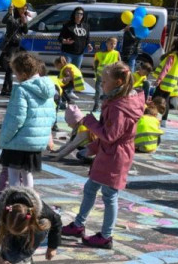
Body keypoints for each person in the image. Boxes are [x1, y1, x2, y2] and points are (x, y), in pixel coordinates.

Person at [60, 62, 145, 249]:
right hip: (109, 152)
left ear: (119, 82)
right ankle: (78, 224)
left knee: (109, 195)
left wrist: (89, 122)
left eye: (105, 81)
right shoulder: (115, 101)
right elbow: (109, 134)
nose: (102, 84)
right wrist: (93, 147)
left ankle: (106, 236)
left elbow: (111, 135)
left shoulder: (120, 107)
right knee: (90, 188)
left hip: (116, 156)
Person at [0, 52, 54, 191]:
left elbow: (17, 118)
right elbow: (52, 116)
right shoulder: (48, 89)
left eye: (16, 73)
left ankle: (15, 201)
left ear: (23, 74)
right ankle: (29, 202)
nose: (15, 77)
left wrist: (4, 137)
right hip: (35, 141)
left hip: (18, 141)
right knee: (27, 173)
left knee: (13, 174)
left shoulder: (22, 89)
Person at [0, 184, 61, 264]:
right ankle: (14, 247)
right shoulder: (2, 214)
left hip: (32, 228)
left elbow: (56, 222)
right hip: (13, 227)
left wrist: (52, 247)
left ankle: (26, 253)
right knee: (11, 258)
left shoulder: (40, 210)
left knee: (44, 223)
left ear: (30, 220)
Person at [152, 39, 178, 122]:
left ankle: (152, 116)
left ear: (174, 46)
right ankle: (164, 120)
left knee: (155, 100)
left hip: (164, 82)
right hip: (171, 84)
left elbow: (166, 69)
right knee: (166, 101)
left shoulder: (172, 56)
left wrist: (159, 79)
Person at [0, 6, 29, 96]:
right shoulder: (12, 16)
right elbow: (4, 21)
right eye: (22, 9)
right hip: (10, 44)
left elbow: (25, 31)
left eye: (25, 9)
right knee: (10, 67)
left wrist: (24, 22)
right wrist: (9, 12)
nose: (23, 11)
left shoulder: (23, 18)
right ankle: (10, 88)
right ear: (17, 9)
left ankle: (5, 88)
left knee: (11, 68)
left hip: (17, 45)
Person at [91, 36, 120, 111]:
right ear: (107, 44)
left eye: (115, 44)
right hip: (101, 75)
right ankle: (96, 105)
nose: (113, 45)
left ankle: (106, 106)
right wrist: (96, 72)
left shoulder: (116, 53)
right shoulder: (99, 54)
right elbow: (95, 64)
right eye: (111, 43)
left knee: (108, 92)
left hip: (111, 76)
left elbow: (119, 63)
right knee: (98, 91)